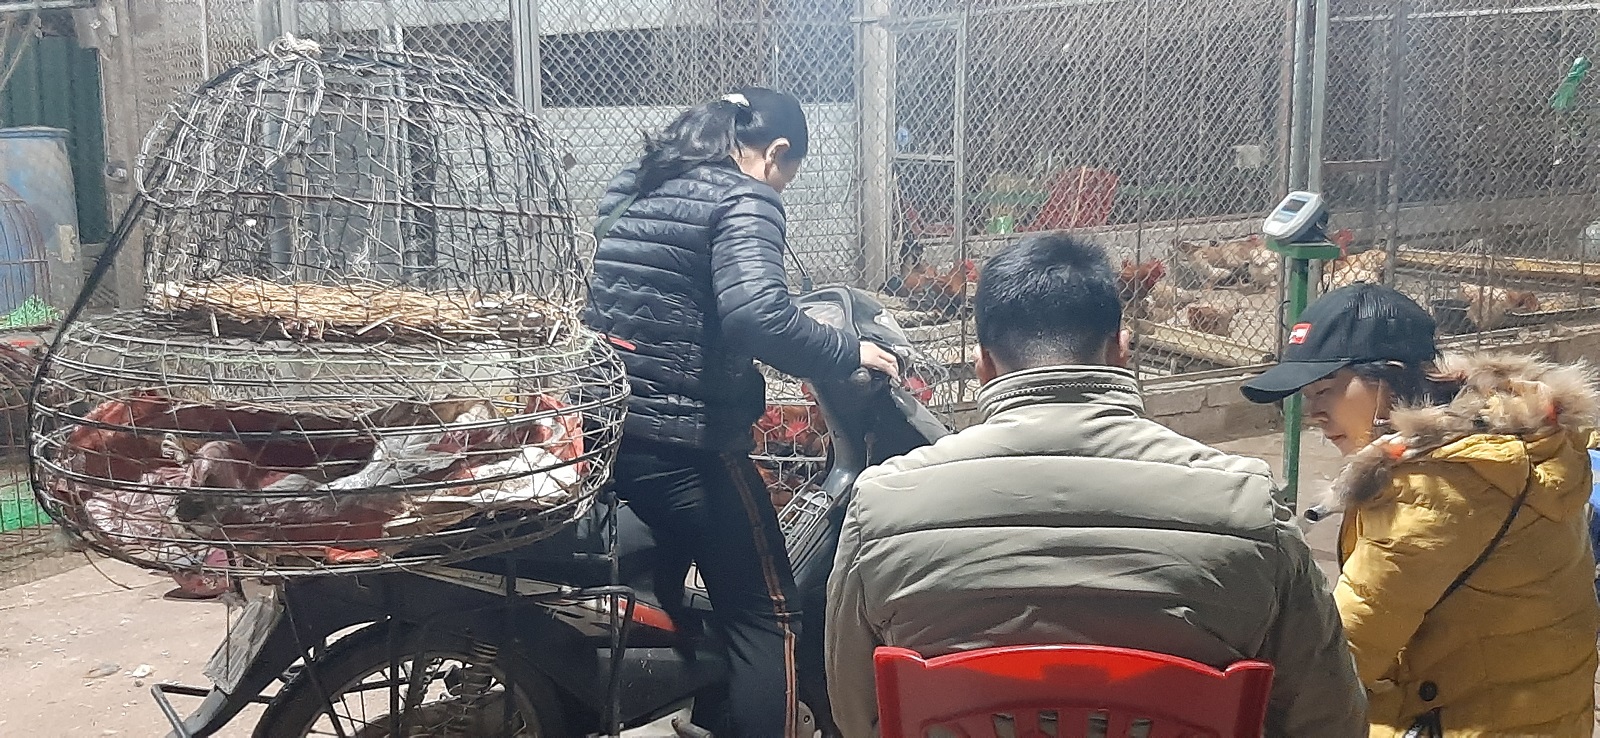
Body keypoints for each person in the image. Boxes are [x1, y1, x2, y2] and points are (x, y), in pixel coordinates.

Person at [825, 234, 1366, 737]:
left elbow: (856, 714)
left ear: (983, 366)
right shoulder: (1249, 507)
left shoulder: (882, 509)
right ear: (1122, 351)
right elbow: (1330, 716)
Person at [584, 87, 899, 737]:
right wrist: (849, 349)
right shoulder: (742, 195)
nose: (781, 189)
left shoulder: (638, 184)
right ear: (776, 153)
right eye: (788, 177)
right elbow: (759, 317)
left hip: (614, 428)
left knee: (706, 587)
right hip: (687, 445)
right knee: (770, 615)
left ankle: (705, 712)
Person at [1241, 282, 1600, 737]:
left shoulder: (1434, 488)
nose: (1314, 413)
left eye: (1326, 391)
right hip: (1541, 716)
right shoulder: (1506, 441)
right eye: (1307, 398)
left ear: (1389, 380)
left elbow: (1338, 660)